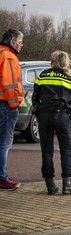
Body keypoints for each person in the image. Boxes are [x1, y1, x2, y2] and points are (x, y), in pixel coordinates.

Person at [32, 51, 71, 195]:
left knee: (46, 151)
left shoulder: (42, 75)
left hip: (43, 116)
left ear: (52, 61)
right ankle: (67, 184)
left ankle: (50, 186)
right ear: (66, 62)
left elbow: (35, 97)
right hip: (61, 116)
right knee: (66, 150)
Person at [0, 29, 25, 191]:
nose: (22, 45)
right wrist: (14, 103)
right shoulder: (8, 56)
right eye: (20, 41)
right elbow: (9, 84)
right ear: (12, 42)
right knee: (4, 143)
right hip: (5, 105)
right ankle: (2, 177)